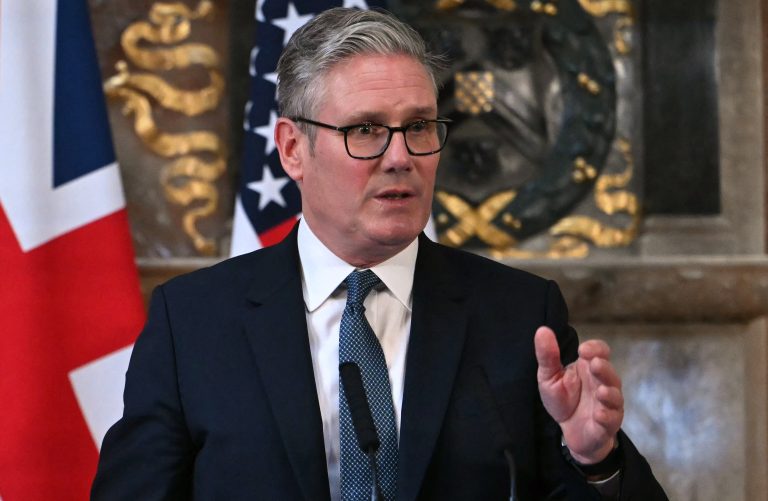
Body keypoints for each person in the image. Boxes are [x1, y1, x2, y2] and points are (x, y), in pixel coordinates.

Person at [92, 7, 667, 500]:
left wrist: (596, 461)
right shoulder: (193, 323)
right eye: (365, 130)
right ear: (292, 149)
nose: (400, 157)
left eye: (419, 126)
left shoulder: (519, 316)